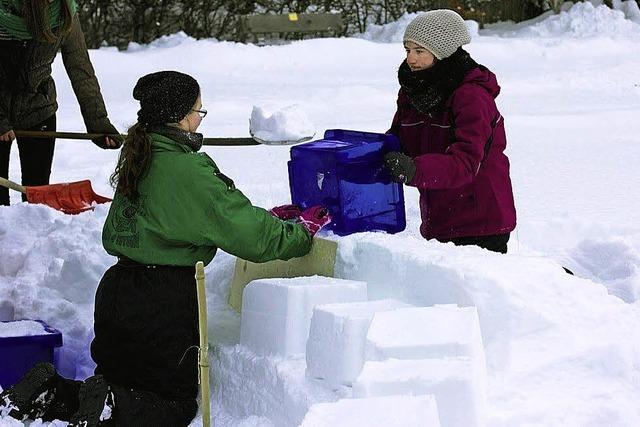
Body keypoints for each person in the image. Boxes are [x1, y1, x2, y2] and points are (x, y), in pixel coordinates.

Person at [0, 71, 331, 426]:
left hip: (117, 293)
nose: (199, 119)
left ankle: (47, 391)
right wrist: (299, 233)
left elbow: (181, 214)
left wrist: (259, 217)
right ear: (179, 116)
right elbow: (251, 235)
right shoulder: (189, 170)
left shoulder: (139, 155)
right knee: (172, 405)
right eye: (198, 111)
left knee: (121, 384)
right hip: (163, 305)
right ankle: (110, 403)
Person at [384, 9, 516, 254]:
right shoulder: (414, 90)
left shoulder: (472, 96)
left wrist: (414, 170)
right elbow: (399, 139)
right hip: (440, 218)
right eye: (407, 50)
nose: (410, 59)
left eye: (419, 51)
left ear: (442, 51)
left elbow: (466, 162)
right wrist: (370, 152)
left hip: (481, 221)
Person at [0, 0, 122, 206]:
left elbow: (80, 69)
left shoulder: (64, 11)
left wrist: (98, 123)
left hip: (39, 110)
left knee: (36, 199)